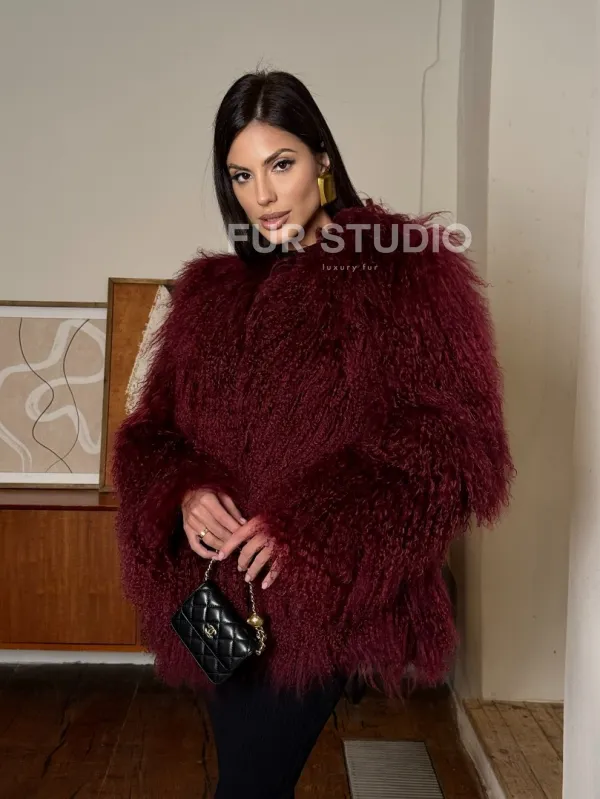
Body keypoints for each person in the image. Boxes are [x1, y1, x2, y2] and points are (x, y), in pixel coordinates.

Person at [111, 69, 515, 799]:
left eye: (281, 164)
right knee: (249, 779)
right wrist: (186, 493)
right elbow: (152, 434)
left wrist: (309, 528)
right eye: (241, 175)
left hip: (322, 596)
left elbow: (456, 448)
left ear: (322, 160)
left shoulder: (400, 272)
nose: (262, 195)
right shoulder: (211, 293)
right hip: (220, 600)